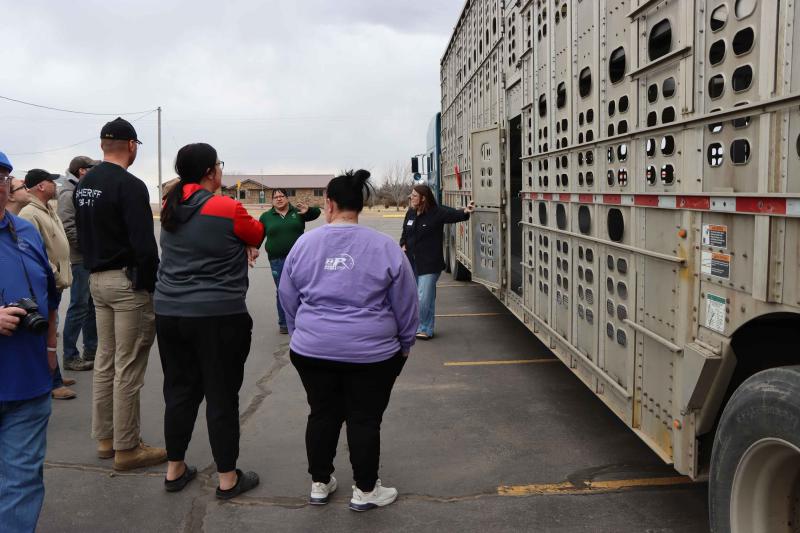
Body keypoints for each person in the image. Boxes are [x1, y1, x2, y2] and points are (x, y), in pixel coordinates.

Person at [279, 170, 418, 511]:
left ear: (329, 204)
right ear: (361, 204)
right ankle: (366, 490)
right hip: (372, 354)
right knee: (364, 418)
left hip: (312, 350)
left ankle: (320, 483)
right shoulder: (384, 246)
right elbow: (406, 303)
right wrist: (404, 343)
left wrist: (301, 332)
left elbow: (287, 295)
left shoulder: (305, 244)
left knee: (322, 413)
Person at [155, 143, 264, 498]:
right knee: (221, 394)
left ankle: (175, 470)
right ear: (208, 172)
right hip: (218, 315)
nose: (220, 170)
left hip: (170, 312)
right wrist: (242, 245)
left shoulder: (171, 205)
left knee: (179, 391)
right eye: (218, 165)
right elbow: (257, 235)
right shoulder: (225, 206)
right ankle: (228, 479)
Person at [74, 117, 166, 471]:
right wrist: (150, 284)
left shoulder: (86, 183)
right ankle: (128, 448)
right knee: (128, 365)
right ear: (131, 146)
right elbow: (144, 245)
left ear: (101, 145)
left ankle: (106, 438)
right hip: (127, 283)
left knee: (106, 361)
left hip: (97, 279)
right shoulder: (130, 185)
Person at [0, 151, 59, 533]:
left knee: (21, 483)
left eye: (2, 175)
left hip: (28, 383)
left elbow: (50, 299)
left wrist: (52, 350)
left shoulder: (26, 232)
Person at [19, 169, 77, 400]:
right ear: (41, 187)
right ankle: (51, 382)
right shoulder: (30, 214)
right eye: (51, 182)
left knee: (53, 329)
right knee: (46, 332)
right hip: (46, 282)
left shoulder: (46, 210)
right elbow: (34, 252)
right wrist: (52, 274)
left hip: (55, 281)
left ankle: (55, 375)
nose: (56, 185)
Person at [400, 184, 475, 340]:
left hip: (430, 264)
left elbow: (454, 215)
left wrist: (465, 212)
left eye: (414, 195)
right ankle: (425, 326)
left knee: (423, 297)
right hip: (412, 262)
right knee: (421, 296)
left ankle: (424, 328)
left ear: (423, 198)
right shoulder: (411, 213)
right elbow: (405, 233)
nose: (411, 197)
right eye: (411, 195)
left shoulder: (436, 213)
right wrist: (403, 244)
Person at [57, 156, 100, 372]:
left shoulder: (80, 188)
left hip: (86, 258)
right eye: (92, 168)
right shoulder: (68, 193)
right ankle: (70, 355)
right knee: (79, 306)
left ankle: (91, 350)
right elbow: (69, 227)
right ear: (82, 171)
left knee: (90, 306)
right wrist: (88, 248)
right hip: (79, 259)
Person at [259, 188, 320, 334]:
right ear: (272, 200)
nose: (279, 199)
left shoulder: (297, 212)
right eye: (275, 197)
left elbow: (317, 213)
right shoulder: (266, 217)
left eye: (281, 196)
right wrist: (253, 249)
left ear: (287, 198)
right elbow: (259, 235)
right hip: (277, 260)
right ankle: (284, 323)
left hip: (299, 259)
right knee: (282, 291)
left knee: (302, 289)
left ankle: (302, 321)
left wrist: (308, 210)